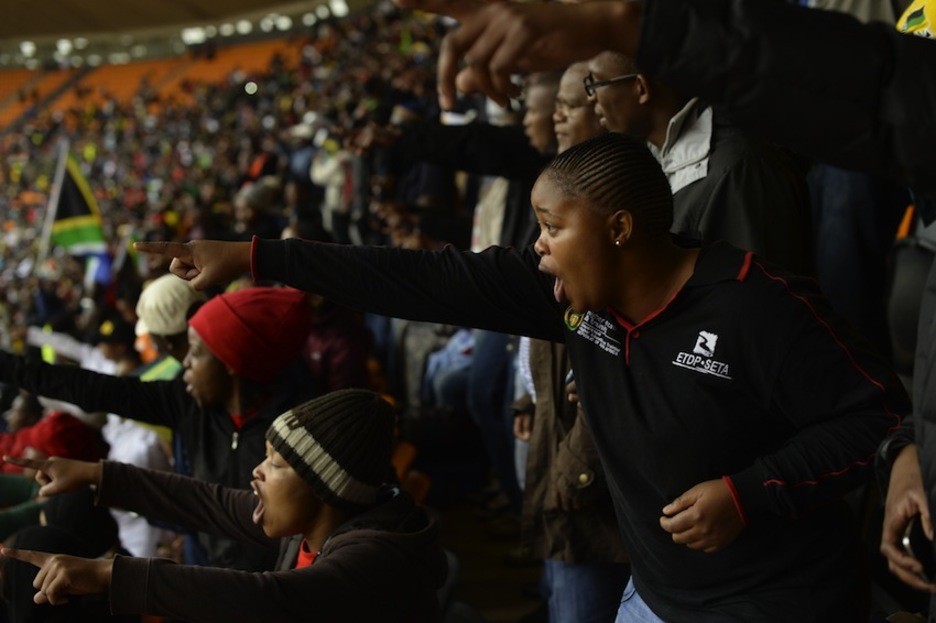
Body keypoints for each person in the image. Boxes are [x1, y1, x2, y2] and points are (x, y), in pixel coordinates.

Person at [137, 132, 908, 621]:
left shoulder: (755, 307)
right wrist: (258, 255)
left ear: (620, 228)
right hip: (658, 593)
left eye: (550, 227)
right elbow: (421, 278)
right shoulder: (570, 299)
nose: (536, 248)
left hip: (774, 598)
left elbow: (876, 415)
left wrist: (749, 491)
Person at [1, 389, 447, 623]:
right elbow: (205, 501)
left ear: (324, 487)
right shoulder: (314, 526)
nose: (256, 471)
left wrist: (107, 574)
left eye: (275, 464)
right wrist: (97, 475)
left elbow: (270, 599)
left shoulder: (373, 559)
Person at [0, 286, 316, 572]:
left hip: (271, 582)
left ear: (230, 361)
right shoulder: (185, 402)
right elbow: (94, 389)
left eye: (196, 352)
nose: (185, 363)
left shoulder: (297, 431)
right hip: (208, 564)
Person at [584, 50, 813, 275]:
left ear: (641, 88)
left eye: (594, 84)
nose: (590, 97)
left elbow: (756, 292)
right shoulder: (649, 152)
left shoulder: (738, 169)